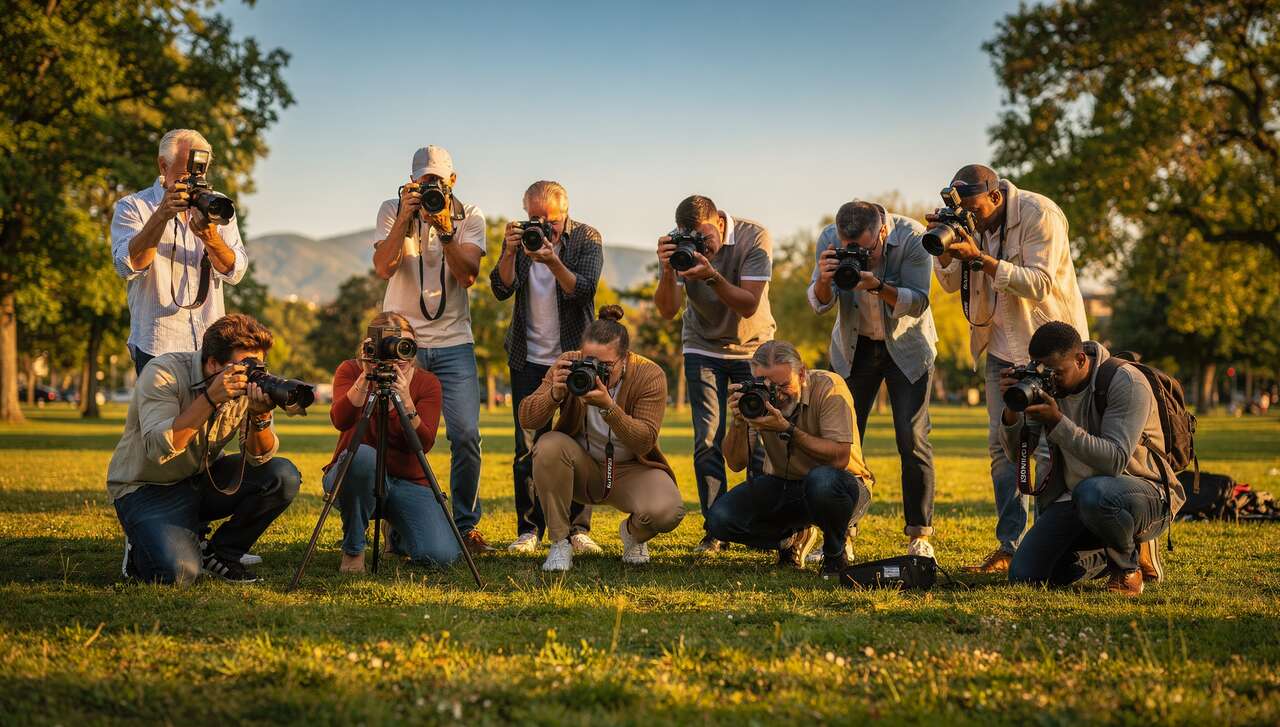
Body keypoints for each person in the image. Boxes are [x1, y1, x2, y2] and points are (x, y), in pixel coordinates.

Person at [931, 164, 1089, 574]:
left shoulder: (1040, 214)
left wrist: (981, 258)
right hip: (1000, 349)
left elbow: (1038, 283)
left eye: (975, 208)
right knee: (1002, 449)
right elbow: (950, 284)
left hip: (1047, 348)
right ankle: (1009, 545)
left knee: (1047, 447)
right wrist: (949, 251)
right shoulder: (972, 222)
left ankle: (1045, 544)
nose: (970, 215)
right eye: (963, 209)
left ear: (996, 196)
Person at [107, 314, 301, 585]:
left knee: (282, 475)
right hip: (147, 486)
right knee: (177, 575)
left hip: (201, 478)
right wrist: (211, 398)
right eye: (244, 366)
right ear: (212, 363)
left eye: (258, 365)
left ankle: (222, 553)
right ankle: (140, 543)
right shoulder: (164, 373)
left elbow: (259, 458)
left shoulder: (246, 384)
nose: (252, 373)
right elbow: (161, 447)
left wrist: (260, 417)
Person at [1001, 322, 1185, 596]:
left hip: (1142, 493)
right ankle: (1110, 550)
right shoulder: (1046, 383)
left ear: (1080, 359)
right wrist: (1012, 412)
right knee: (1027, 575)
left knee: (1094, 492)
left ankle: (1127, 567)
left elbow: (1114, 460)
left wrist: (1058, 422)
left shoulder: (1126, 381)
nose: (1051, 380)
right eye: (1044, 372)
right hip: (1078, 499)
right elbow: (1016, 454)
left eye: (1058, 373)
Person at [373, 144, 493, 555]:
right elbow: (382, 267)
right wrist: (405, 218)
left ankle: (466, 524)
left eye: (436, 182)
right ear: (410, 181)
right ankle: (391, 522)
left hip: (454, 341)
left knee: (465, 435)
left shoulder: (469, 215)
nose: (430, 189)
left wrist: (443, 227)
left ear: (452, 181)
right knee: (392, 431)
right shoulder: (393, 209)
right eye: (422, 182)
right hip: (400, 339)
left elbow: (470, 275)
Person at [808, 200, 938, 560]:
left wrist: (877, 285)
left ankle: (919, 535)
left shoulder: (912, 237)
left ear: (883, 230)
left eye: (868, 249)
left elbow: (920, 302)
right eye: (853, 249)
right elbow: (819, 304)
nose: (860, 255)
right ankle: (841, 535)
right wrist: (822, 279)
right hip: (854, 349)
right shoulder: (829, 239)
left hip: (908, 349)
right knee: (843, 442)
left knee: (911, 438)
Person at [520, 306, 685, 572]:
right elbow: (527, 419)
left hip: (630, 469)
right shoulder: (568, 363)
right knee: (548, 445)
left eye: (605, 366)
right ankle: (561, 542)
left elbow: (644, 440)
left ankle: (633, 534)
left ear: (625, 359)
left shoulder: (649, 374)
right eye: (588, 361)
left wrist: (610, 408)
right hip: (580, 468)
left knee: (669, 511)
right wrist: (554, 394)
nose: (595, 372)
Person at [654, 195, 775, 553]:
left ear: (719, 222)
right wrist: (666, 270)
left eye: (705, 236)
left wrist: (711, 275)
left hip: (752, 347)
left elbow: (748, 304)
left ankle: (760, 527)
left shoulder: (755, 237)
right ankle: (716, 528)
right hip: (701, 345)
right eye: (690, 236)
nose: (701, 244)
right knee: (707, 439)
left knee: (756, 436)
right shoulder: (678, 246)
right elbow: (666, 311)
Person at [490, 181, 604, 555]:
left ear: (564, 213)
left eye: (549, 221)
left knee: (580, 441)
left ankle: (577, 529)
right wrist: (509, 253)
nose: (541, 227)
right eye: (533, 218)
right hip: (527, 356)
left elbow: (583, 290)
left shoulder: (586, 237)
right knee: (527, 445)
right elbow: (500, 289)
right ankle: (529, 529)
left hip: (574, 356)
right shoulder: (523, 240)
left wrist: (553, 259)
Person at [704, 341, 874, 577]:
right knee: (719, 520)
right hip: (786, 485)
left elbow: (839, 457)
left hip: (843, 486)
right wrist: (739, 423)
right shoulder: (757, 398)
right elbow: (735, 463)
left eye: (784, 385)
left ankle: (835, 554)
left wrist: (787, 429)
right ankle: (791, 538)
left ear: (802, 373)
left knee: (822, 481)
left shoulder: (829, 387)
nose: (776, 393)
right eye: (767, 384)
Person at [322, 311, 458, 573]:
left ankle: (395, 534)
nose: (397, 355)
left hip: (406, 481)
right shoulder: (351, 370)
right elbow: (341, 419)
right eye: (388, 346)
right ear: (371, 346)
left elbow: (424, 443)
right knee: (363, 457)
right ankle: (353, 550)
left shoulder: (427, 383)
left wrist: (405, 400)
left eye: (404, 345)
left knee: (440, 556)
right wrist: (366, 375)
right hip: (354, 476)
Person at [111, 129, 248, 376]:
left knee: (211, 415)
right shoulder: (134, 206)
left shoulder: (218, 206)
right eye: (187, 174)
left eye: (201, 173)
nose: (195, 182)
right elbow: (128, 266)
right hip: (158, 345)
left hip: (212, 346)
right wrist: (162, 215)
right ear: (163, 166)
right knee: (162, 416)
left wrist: (210, 236)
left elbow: (235, 271)